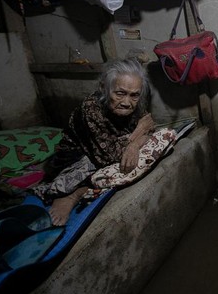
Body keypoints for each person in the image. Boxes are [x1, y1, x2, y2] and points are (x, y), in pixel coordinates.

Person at [32, 58, 155, 225]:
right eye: (119, 93)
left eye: (134, 95)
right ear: (104, 88)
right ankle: (72, 194)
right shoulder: (91, 107)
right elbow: (109, 155)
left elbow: (150, 126)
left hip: (112, 149)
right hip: (78, 156)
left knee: (161, 138)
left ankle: (86, 188)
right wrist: (138, 136)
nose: (127, 102)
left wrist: (137, 139)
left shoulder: (136, 103)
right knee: (99, 164)